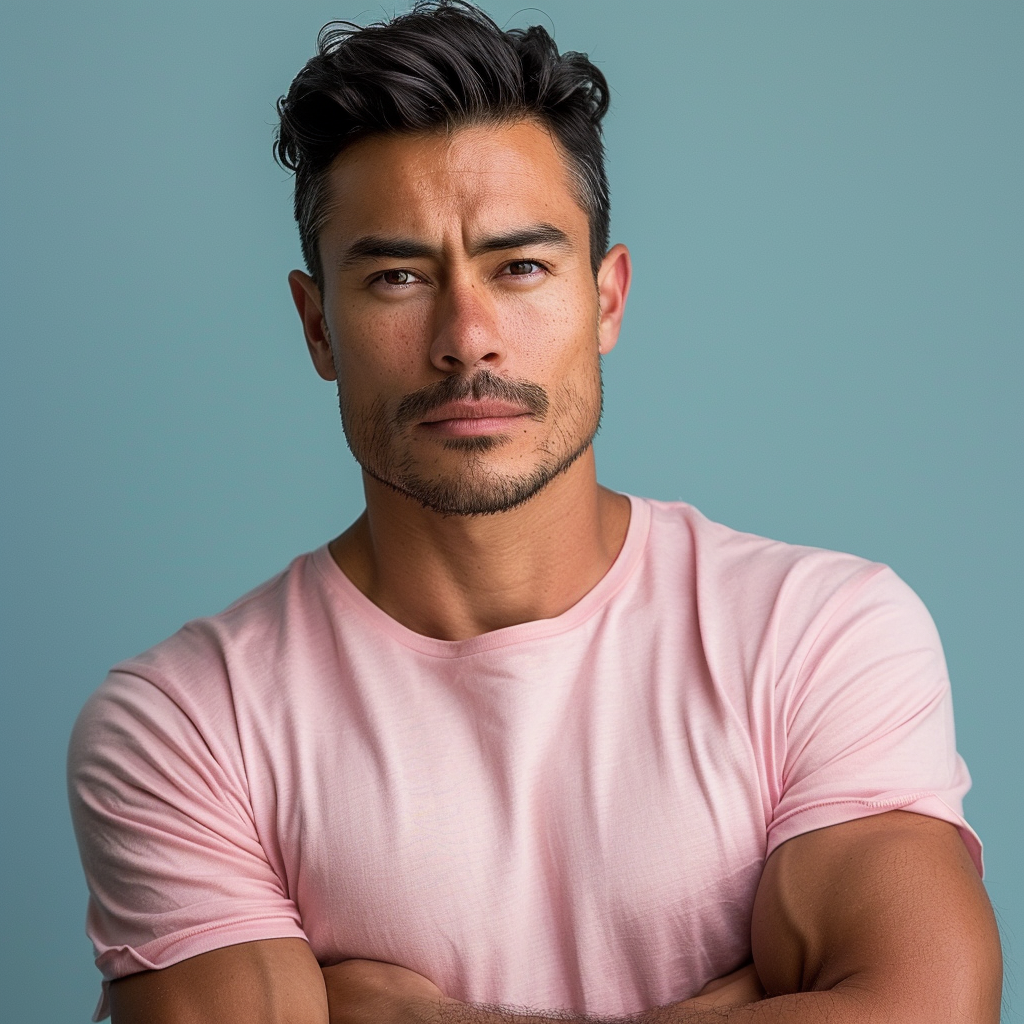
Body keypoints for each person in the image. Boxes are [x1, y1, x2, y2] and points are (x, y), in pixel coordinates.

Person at [67, 2, 1002, 1022]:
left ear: (605, 299)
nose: (467, 338)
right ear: (316, 325)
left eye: (519, 266)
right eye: (396, 276)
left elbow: (927, 1007)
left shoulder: (821, 633)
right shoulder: (186, 726)